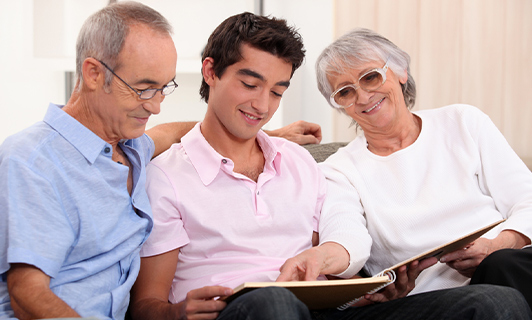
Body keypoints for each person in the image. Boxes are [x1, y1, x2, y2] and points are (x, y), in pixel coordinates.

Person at [129, 13, 531, 320]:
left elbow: (345, 238)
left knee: (497, 299)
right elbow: (147, 302)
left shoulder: (300, 163)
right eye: (250, 85)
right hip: (247, 310)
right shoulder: (167, 176)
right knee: (272, 300)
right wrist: (176, 313)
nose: (262, 105)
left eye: (276, 91)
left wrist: (356, 282)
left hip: (331, 311)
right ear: (210, 72)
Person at [0, 2, 321, 320]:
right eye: (143, 89)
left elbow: (179, 130)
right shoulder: (31, 160)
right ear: (93, 74)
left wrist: (267, 132)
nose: (155, 106)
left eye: (163, 88)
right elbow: (28, 295)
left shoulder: (133, 148)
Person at [306, 27, 532, 306]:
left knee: (503, 264)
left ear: (401, 72)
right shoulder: (338, 171)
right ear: (339, 105)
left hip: (511, 262)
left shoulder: (463, 122)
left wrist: (498, 245)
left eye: (371, 77)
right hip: (444, 299)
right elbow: (346, 239)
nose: (363, 97)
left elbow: (527, 200)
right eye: (345, 92)